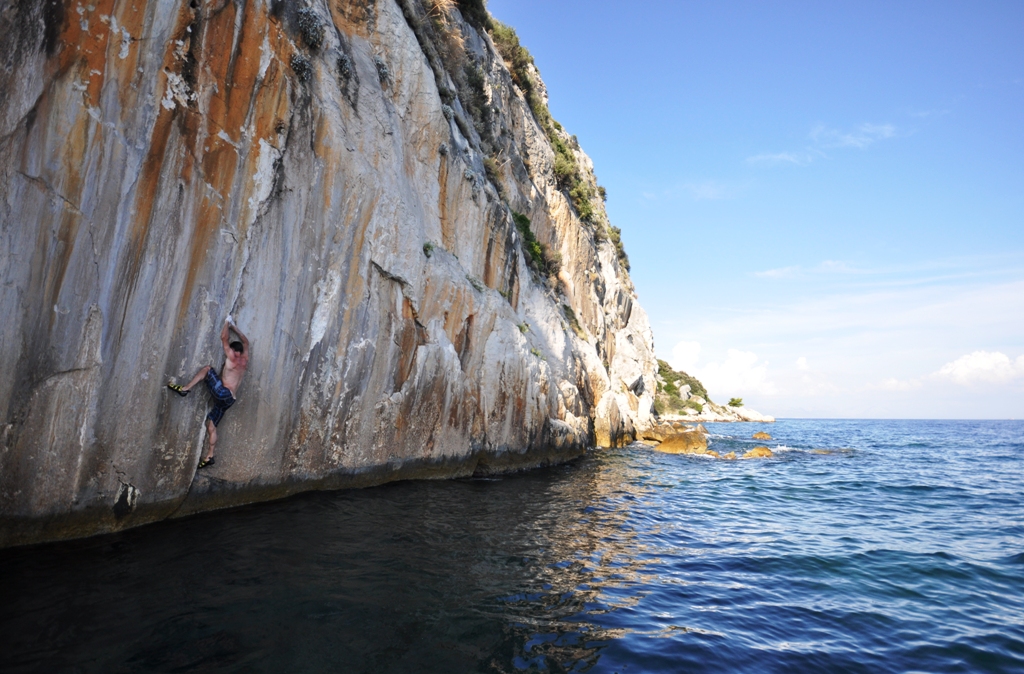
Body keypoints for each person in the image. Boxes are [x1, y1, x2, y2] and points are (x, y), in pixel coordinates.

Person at [168, 316, 250, 469]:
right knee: (211, 425)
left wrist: (227, 322)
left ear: (233, 350)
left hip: (222, 392)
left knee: (207, 370)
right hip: (229, 400)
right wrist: (235, 328)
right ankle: (209, 456)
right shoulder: (244, 360)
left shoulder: (231, 357)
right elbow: (246, 342)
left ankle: (185, 389)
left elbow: (223, 337)